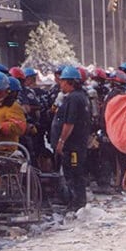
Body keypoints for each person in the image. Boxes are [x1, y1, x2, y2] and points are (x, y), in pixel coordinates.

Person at [53, 65, 91, 209]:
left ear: (70, 82)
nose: (60, 83)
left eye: (62, 81)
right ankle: (77, 202)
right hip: (78, 143)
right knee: (75, 173)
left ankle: (77, 203)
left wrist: (61, 141)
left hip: (73, 145)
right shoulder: (80, 96)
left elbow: (69, 123)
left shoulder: (73, 99)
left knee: (74, 173)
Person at [0, 71, 26, 155]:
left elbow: (20, 127)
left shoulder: (12, 106)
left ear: (7, 90)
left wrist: (0, 126)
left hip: (6, 153)